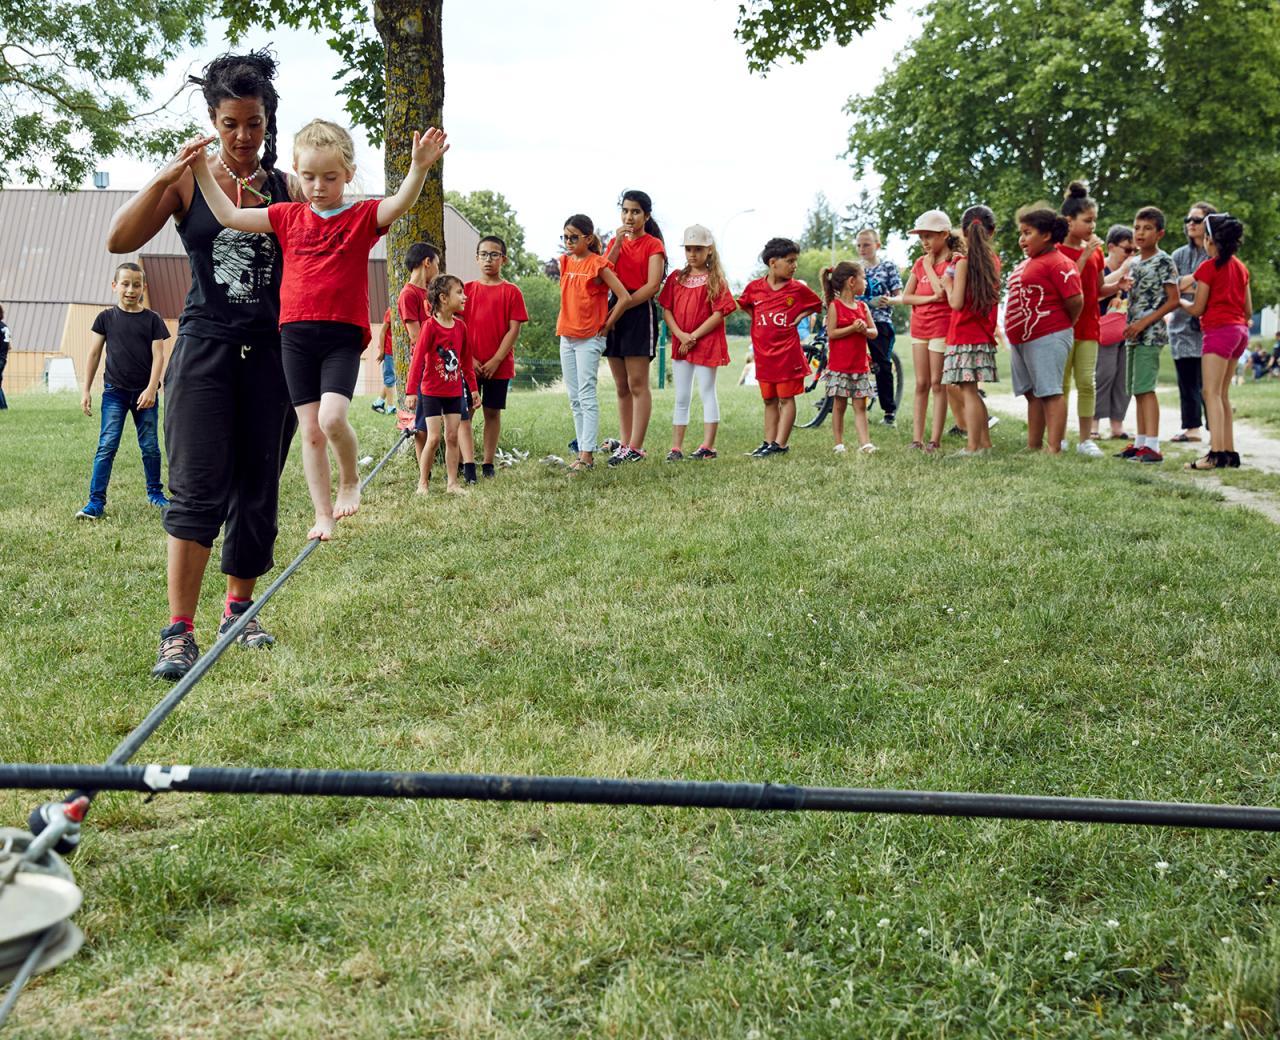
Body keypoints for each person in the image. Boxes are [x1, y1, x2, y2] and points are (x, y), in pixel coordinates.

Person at [106, 51, 294, 680]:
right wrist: (165, 176)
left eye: (255, 123)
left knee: (257, 486)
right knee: (195, 488)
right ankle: (178, 632)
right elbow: (119, 239)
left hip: (271, 358)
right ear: (213, 121)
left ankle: (239, 611)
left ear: (268, 121)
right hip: (205, 352)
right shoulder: (191, 180)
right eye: (231, 124)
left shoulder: (290, 190)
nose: (244, 137)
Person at [192, 117, 448, 539]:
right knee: (309, 430)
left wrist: (419, 168)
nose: (318, 186)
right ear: (296, 171)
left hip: (340, 337)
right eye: (308, 176)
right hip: (294, 336)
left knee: (332, 419)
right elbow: (229, 215)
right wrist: (201, 168)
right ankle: (323, 514)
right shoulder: (287, 217)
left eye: (330, 177)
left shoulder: (363, 216)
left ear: (347, 174)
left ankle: (350, 479)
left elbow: (400, 203)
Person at [75, 263, 170, 519]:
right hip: (114, 393)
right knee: (107, 445)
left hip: (145, 394)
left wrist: (151, 389)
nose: (131, 289)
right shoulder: (105, 318)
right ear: (114, 286)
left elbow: (158, 356)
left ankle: (155, 494)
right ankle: (95, 502)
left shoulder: (153, 319)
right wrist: (85, 390)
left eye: (136, 285)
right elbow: (94, 354)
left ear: (144, 288)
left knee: (150, 446)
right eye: (125, 284)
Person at [1005, 206, 1083, 453]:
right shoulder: (1029, 262)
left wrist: (1059, 327)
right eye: (1021, 234)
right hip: (1022, 339)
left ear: (1046, 235)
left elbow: (1075, 300)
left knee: (1050, 392)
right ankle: (1033, 445)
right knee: (1033, 394)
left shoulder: (1059, 262)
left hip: (1048, 334)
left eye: (1027, 233)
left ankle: (1054, 449)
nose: (1021, 239)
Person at [737, 237, 823, 457]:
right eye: (790, 261)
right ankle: (768, 442)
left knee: (786, 398)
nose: (795, 266)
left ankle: (780, 444)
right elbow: (745, 304)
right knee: (769, 400)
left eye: (796, 261)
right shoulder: (754, 288)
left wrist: (800, 315)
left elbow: (817, 305)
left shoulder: (797, 290)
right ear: (773, 262)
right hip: (764, 356)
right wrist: (758, 320)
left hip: (787, 354)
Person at [557, 215, 630, 472]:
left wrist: (608, 323)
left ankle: (587, 456)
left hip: (589, 338)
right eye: (565, 236)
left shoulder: (598, 264)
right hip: (566, 336)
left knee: (586, 395)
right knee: (574, 397)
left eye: (574, 237)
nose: (568, 241)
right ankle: (582, 451)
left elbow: (623, 296)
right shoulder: (564, 261)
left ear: (588, 238)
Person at [658, 224, 736, 461]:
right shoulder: (676, 278)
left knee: (706, 391)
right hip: (682, 342)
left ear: (709, 250)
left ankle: (708, 446)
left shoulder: (715, 279)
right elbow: (667, 310)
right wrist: (681, 335)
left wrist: (694, 336)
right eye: (688, 249)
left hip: (706, 342)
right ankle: (676, 447)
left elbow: (719, 313)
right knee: (682, 395)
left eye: (698, 249)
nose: (692, 254)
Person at [1181, 213, 1251, 471]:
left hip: (1219, 333)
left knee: (1209, 392)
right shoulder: (1241, 268)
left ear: (1210, 239)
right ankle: (1230, 454)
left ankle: (1215, 454)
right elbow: (1248, 309)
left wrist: (1180, 302)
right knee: (1222, 393)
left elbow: (1198, 308)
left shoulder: (1208, 268)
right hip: (1239, 333)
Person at [602, 190, 667, 464]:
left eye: (636, 211)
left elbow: (653, 285)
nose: (630, 216)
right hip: (615, 309)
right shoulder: (614, 242)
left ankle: (637, 447)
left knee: (638, 383)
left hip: (638, 311)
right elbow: (604, 272)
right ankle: (625, 442)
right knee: (621, 386)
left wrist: (624, 305)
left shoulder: (653, 245)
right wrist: (616, 244)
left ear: (646, 215)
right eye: (626, 211)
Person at [1115, 206, 1180, 464]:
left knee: (1146, 388)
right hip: (1133, 332)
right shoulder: (1134, 262)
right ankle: (1141, 443)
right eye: (1137, 227)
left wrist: (1143, 323)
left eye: (1148, 228)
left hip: (1150, 333)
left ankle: (1153, 446)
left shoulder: (1163, 260)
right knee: (1136, 389)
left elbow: (1173, 300)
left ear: (1160, 233)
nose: (1140, 233)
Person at [462, 235, 528, 478]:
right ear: (476, 258)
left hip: (498, 365)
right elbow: (456, 328)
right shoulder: (466, 290)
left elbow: (514, 329)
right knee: (465, 411)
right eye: (483, 255)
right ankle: (464, 461)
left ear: (504, 259)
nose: (488, 260)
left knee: (492, 411)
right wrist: (468, 360)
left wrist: (497, 359)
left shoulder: (512, 291)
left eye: (494, 255)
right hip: (469, 364)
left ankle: (488, 463)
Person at [406, 275, 475, 493]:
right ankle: (422, 482)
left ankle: (452, 483)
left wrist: (472, 389)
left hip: (454, 391)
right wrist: (411, 391)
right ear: (444, 298)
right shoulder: (429, 327)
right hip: (431, 392)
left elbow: (465, 362)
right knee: (434, 438)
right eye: (459, 292)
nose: (465, 296)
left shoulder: (461, 327)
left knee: (452, 437)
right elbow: (417, 360)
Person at [942, 205, 1001, 456]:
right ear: (992, 231)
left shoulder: (964, 263)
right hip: (982, 335)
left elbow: (955, 302)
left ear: (964, 232)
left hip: (963, 335)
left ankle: (972, 446)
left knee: (969, 393)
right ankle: (984, 444)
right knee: (973, 392)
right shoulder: (993, 261)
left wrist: (947, 284)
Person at [901, 209, 957, 452]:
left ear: (944, 234)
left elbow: (942, 293)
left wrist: (929, 268)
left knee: (937, 383)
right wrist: (928, 299)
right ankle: (917, 439)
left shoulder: (953, 262)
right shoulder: (919, 263)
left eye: (929, 236)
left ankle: (934, 440)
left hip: (941, 328)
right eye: (921, 237)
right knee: (921, 383)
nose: (924, 242)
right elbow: (906, 297)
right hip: (919, 328)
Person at [1057, 182, 1106, 456]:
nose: (1092, 227)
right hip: (1062, 328)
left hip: (1089, 326)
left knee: (1087, 382)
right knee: (1061, 384)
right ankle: (1059, 436)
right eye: (1087, 221)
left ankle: (1086, 439)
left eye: (1094, 221)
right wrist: (1086, 254)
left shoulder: (1097, 251)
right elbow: (1067, 282)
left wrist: (1120, 281)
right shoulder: (1056, 252)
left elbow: (1098, 289)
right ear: (1069, 221)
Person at [1168, 202, 1216, 444]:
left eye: (1196, 220)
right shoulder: (1178, 255)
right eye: (1188, 220)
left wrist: (1192, 284)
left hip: (1211, 327)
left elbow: (1216, 287)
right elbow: (1172, 288)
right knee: (1187, 382)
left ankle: (1216, 429)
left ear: (1208, 223)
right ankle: (1192, 428)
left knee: (1210, 384)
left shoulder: (1218, 253)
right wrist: (1198, 284)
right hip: (1182, 326)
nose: (1190, 224)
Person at [821, 261, 877, 454]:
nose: (867, 282)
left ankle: (865, 443)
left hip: (859, 367)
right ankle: (838, 443)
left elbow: (874, 332)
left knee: (860, 405)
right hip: (840, 367)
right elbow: (832, 333)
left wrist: (864, 329)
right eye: (864, 278)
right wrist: (853, 328)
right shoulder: (835, 306)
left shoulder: (863, 307)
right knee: (839, 405)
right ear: (852, 281)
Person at [395, 242, 442, 465]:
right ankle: (425, 471)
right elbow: (415, 335)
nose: (438, 272)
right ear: (427, 262)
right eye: (437, 265)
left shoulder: (431, 294)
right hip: (423, 364)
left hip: (440, 361)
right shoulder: (408, 294)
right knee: (422, 419)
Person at [855, 228, 903, 426]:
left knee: (882, 365)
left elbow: (899, 296)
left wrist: (886, 301)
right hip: (856, 319)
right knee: (843, 358)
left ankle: (889, 411)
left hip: (880, 320)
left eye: (866, 244)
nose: (862, 249)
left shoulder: (889, 267)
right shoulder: (855, 268)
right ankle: (832, 398)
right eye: (859, 245)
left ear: (877, 245)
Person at [1093, 225, 1136, 440]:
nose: (1131, 255)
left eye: (1134, 251)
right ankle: (1094, 424)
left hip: (1128, 331)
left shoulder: (1136, 272)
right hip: (1103, 331)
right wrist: (1121, 273)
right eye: (1127, 250)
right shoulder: (1101, 269)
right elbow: (1093, 294)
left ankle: (1117, 425)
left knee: (1123, 379)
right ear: (1111, 247)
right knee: (1103, 375)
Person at [372, 308, 397, 415]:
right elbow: (382, 332)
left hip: (395, 351)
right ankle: (391, 407)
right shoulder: (391, 311)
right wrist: (382, 351)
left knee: (391, 378)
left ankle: (378, 402)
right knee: (390, 378)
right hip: (388, 350)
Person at [0, 303, 9, 410]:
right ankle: (3, 408)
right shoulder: (4, 326)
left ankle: (3, 408)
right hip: (2, 358)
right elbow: (9, 346)